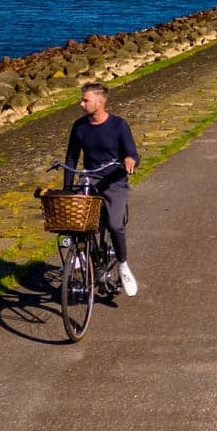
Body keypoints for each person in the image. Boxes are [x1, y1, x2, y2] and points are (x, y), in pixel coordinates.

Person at [63, 81, 139, 296]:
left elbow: (133, 154)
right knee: (75, 220)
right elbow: (71, 158)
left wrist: (130, 160)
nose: (81, 104)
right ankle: (81, 256)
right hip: (90, 180)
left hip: (114, 181)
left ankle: (123, 265)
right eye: (82, 99)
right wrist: (68, 188)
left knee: (115, 225)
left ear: (100, 101)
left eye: (85, 100)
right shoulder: (79, 127)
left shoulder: (118, 125)